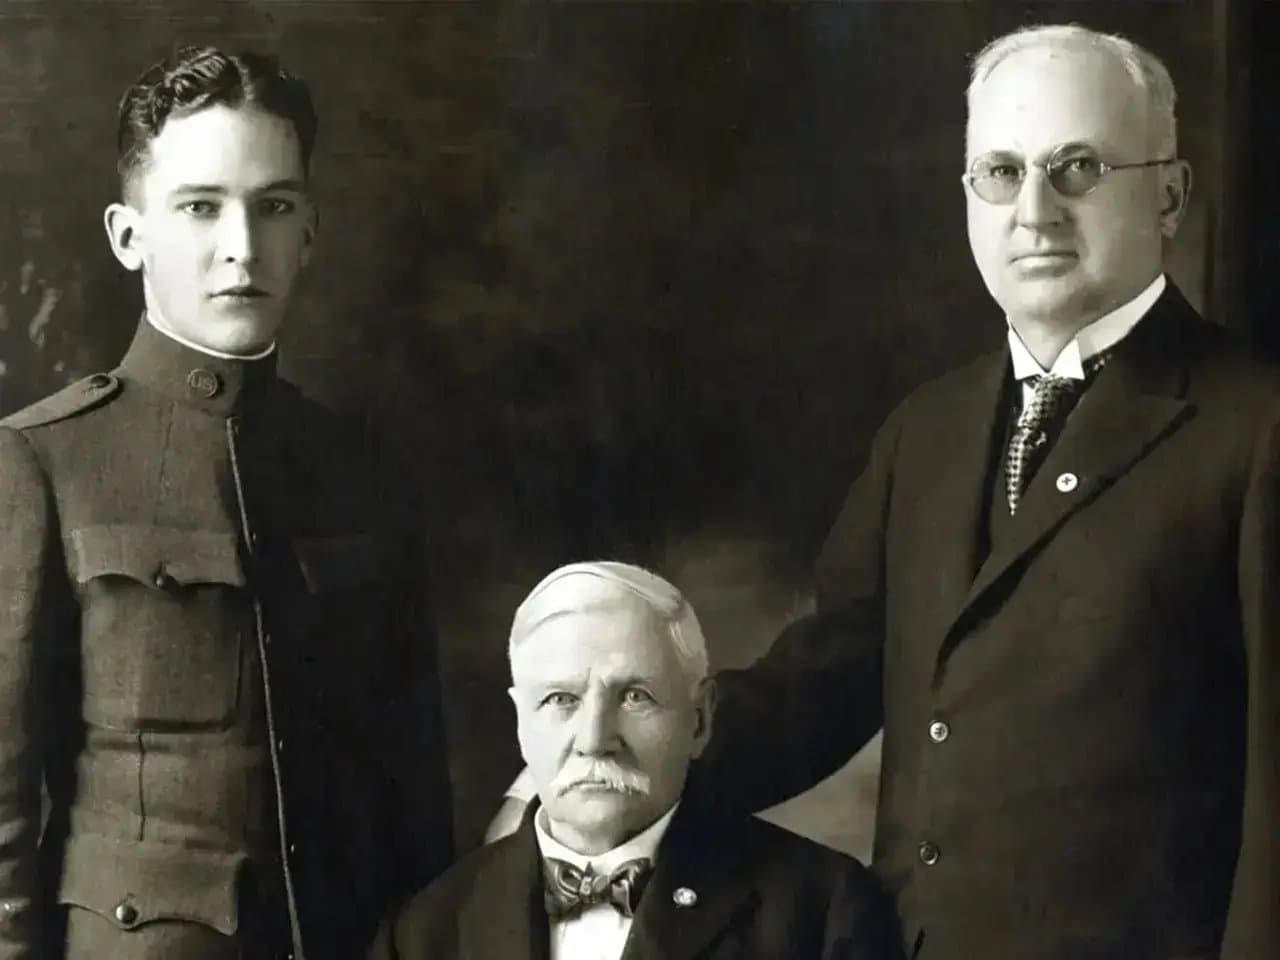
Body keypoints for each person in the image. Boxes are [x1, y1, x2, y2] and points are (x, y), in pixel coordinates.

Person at [492, 26, 1280, 959]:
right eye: (999, 172)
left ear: (1170, 195)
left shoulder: (1255, 424)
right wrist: (592, 764)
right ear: (967, 199)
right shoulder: (929, 432)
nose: (1035, 210)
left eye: (1077, 168)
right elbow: (821, 683)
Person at [0, 47, 453, 959]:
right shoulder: (42, 460)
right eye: (201, 206)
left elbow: (414, 795)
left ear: (310, 233)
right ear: (130, 237)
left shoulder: (362, 469)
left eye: (274, 206)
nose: (243, 245)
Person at [375, 562, 902, 960]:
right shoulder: (424, 933)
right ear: (520, 722)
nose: (594, 738)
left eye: (634, 697)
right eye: (561, 699)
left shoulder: (824, 911)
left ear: (700, 719)